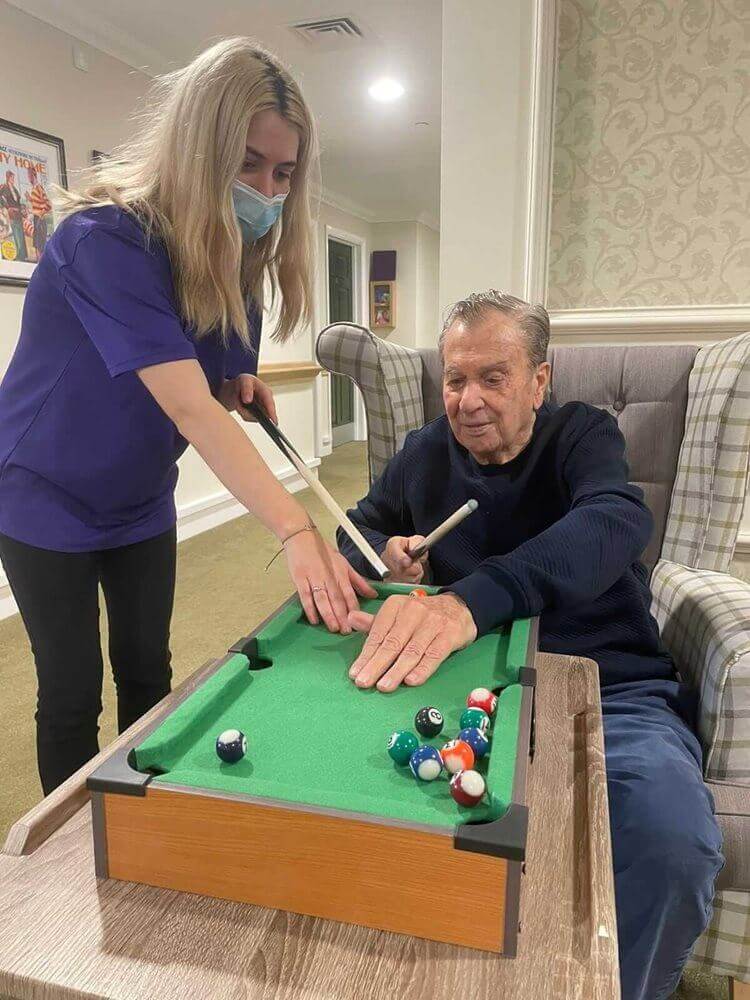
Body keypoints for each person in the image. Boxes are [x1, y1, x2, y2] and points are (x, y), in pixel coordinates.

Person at [0, 38, 374, 797]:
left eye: (282, 172)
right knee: (71, 691)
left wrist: (242, 381)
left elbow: (219, 371)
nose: (267, 188)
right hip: (41, 495)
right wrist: (298, 532)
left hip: (139, 497)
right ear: (197, 149)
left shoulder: (238, 258)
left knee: (148, 668)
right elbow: (185, 406)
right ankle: (74, 855)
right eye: (247, 164)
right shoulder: (100, 242)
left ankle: (151, 813)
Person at [337, 290, 723, 1000]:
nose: (469, 400)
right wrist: (381, 550)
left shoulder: (582, 435)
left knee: (675, 845)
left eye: (494, 377)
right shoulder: (424, 453)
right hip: (464, 691)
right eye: (455, 378)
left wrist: (470, 601)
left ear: (539, 381)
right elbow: (354, 532)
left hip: (610, 689)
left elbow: (615, 521)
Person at [0, 170, 28, 261]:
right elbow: (2, 198)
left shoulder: (15, 189)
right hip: (12, 214)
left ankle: (22, 255)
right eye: (12, 178)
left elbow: (18, 201)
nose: (13, 179)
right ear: (8, 178)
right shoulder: (5, 188)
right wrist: (8, 208)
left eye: (13, 178)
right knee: (16, 234)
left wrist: (22, 209)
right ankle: (19, 255)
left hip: (18, 213)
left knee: (20, 234)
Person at [26, 166, 52, 259]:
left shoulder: (38, 187)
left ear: (33, 175)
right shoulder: (33, 188)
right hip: (36, 219)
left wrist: (41, 214)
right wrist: (29, 199)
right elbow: (37, 203)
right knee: (37, 245)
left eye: (29, 175)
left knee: (40, 245)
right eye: (28, 175)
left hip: (40, 219)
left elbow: (48, 204)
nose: (28, 177)